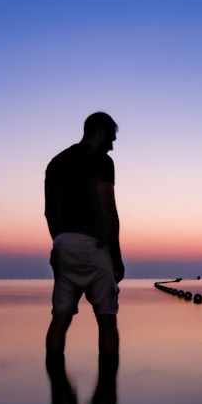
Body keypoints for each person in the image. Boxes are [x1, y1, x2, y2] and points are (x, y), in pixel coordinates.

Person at [44, 112, 124, 357]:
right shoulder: (101, 161)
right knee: (107, 319)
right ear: (100, 130)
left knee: (61, 318)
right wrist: (116, 257)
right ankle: (107, 386)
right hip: (94, 245)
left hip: (62, 244)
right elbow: (108, 209)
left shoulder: (56, 162)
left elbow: (49, 212)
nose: (111, 146)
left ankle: (57, 384)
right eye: (111, 138)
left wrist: (60, 242)